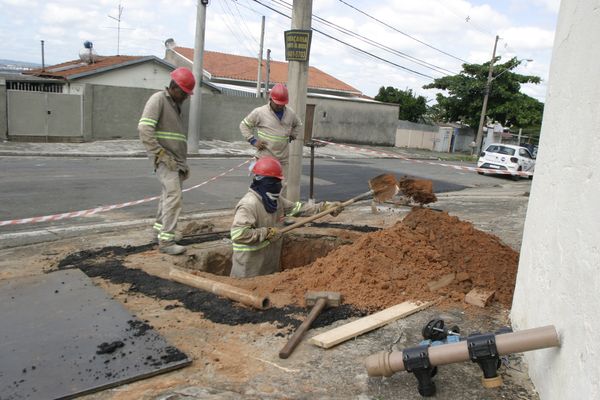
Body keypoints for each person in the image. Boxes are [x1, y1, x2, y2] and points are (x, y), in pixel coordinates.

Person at [230, 157, 343, 278]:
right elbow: (238, 234)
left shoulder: (276, 201)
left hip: (269, 267)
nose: (279, 186)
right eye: (275, 182)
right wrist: (266, 233)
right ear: (264, 181)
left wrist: (325, 207)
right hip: (248, 271)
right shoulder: (249, 204)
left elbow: (297, 208)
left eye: (279, 182)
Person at [138, 67, 195, 255]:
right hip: (165, 159)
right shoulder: (159, 100)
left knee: (167, 196)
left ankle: (160, 231)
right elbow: (144, 130)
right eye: (185, 93)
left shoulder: (174, 105)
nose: (186, 97)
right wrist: (160, 154)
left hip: (175, 160)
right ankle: (167, 241)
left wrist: (182, 163)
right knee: (173, 197)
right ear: (175, 88)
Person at [239, 83, 302, 181]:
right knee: (263, 188)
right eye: (277, 103)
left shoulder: (290, 114)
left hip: (282, 160)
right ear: (270, 99)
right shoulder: (259, 112)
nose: (279, 106)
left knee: (281, 188)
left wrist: (293, 135)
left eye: (282, 104)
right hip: (265, 160)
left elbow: (298, 124)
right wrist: (253, 141)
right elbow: (244, 125)